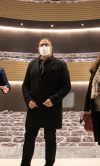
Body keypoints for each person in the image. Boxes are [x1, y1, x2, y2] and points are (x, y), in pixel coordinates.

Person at [21, 38, 71, 166]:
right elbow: (25, 85)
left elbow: (66, 86)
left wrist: (53, 99)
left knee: (50, 139)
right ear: (38, 49)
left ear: (51, 48)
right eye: (42, 45)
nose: (44, 46)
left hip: (51, 108)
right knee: (29, 138)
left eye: (46, 44)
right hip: (34, 108)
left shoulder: (60, 64)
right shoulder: (32, 64)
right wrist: (28, 100)